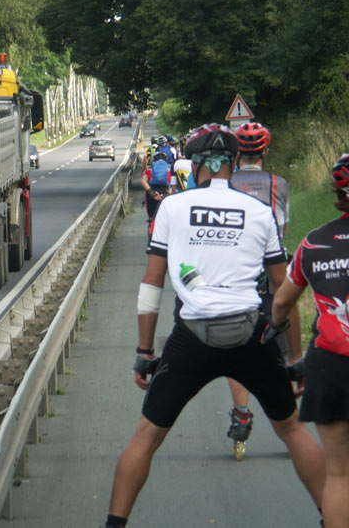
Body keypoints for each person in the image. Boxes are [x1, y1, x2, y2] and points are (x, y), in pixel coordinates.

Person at [102, 124, 325, 528]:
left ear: (197, 165)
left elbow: (152, 282)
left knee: (146, 437)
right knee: (292, 431)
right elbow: (281, 290)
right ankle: (334, 516)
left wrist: (144, 352)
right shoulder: (259, 212)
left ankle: (114, 524)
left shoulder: (172, 207)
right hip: (251, 333)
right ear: (234, 165)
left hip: (192, 338)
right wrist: (294, 359)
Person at [269, 153, 349, 527]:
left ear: (338, 192)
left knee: (339, 475)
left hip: (330, 366)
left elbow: (283, 301)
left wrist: (277, 327)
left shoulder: (314, 243)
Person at [222, 121, 302, 459]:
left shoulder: (224, 184)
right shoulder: (279, 185)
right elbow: (281, 230)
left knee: (237, 351)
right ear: (265, 152)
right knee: (283, 340)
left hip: (235, 276)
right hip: (270, 276)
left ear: (239, 154)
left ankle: (241, 413)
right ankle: (291, 412)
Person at [141, 152, 171, 234]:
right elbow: (172, 185)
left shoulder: (149, 170)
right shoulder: (169, 170)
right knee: (165, 220)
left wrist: (151, 192)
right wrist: (166, 195)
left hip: (152, 193)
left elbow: (143, 181)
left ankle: (150, 241)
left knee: (152, 220)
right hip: (165, 193)